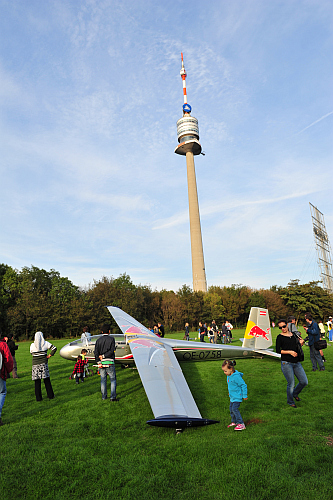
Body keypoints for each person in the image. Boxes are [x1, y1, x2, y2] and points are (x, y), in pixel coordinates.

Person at [276, 319, 308, 408]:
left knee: (304, 381)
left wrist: (301, 342)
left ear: (287, 325)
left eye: (284, 326)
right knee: (291, 383)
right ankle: (290, 402)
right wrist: (289, 352)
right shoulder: (280, 337)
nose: (282, 328)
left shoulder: (294, 335)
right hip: (286, 363)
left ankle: (295, 393)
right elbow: (278, 350)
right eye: (280, 327)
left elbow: (297, 346)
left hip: (296, 362)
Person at [30, 331, 57, 401]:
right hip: (43, 364)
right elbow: (54, 348)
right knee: (46, 380)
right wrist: (49, 355)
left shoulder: (32, 345)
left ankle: (38, 398)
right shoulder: (45, 343)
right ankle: (50, 395)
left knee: (37, 381)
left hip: (35, 365)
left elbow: (31, 353)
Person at [94, 323, 118, 401]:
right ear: (109, 331)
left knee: (103, 380)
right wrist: (104, 356)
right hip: (110, 362)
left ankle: (104, 397)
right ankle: (113, 397)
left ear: (102, 331)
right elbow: (112, 351)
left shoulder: (98, 340)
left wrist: (98, 362)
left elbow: (96, 352)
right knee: (113, 380)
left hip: (101, 363)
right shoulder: (112, 339)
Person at [222, 359, 247, 431]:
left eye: (225, 371)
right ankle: (234, 422)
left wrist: (244, 395)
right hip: (232, 396)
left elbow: (243, 385)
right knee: (231, 409)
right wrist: (230, 392)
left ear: (231, 369)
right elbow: (232, 386)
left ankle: (241, 424)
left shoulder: (236, 377)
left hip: (237, 396)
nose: (224, 373)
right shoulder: (229, 375)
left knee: (234, 409)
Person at [0, 331, 14, 426]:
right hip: (1, 373)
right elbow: (8, 358)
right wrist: (8, 371)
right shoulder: (3, 344)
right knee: (2, 392)